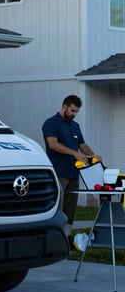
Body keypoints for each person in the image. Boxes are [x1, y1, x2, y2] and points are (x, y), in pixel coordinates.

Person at [42, 94, 102, 238]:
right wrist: (73, 153)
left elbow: (82, 145)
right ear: (64, 106)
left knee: (70, 209)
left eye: (76, 112)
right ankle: (53, 239)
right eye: (72, 111)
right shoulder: (51, 123)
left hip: (74, 173)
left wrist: (93, 156)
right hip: (59, 173)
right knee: (58, 208)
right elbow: (52, 144)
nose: (74, 114)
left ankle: (67, 239)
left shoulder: (75, 126)